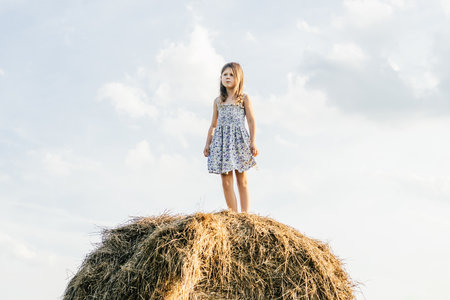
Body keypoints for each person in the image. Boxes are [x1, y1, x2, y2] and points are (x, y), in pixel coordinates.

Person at [203, 62, 259, 213]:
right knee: (226, 180)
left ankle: (245, 215)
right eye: (225, 74)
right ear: (220, 78)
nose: (227, 77)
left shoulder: (243, 98)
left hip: (239, 141)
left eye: (231, 74)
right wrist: (208, 144)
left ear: (238, 78)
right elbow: (213, 125)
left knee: (242, 179)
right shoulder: (217, 101)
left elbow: (251, 121)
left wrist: (252, 142)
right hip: (222, 143)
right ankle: (233, 215)